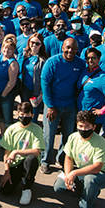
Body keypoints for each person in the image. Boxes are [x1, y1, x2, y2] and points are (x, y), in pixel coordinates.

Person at [56, 110, 105, 208]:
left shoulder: (101, 142)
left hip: (102, 174)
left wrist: (74, 174)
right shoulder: (73, 137)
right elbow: (68, 158)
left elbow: (97, 167)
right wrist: (68, 174)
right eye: (81, 126)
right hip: (81, 172)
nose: (83, 129)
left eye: (87, 126)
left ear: (94, 127)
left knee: (90, 180)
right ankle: (87, 194)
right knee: (58, 186)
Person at [40, 37, 84, 172]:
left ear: (77, 50)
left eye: (73, 48)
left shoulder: (80, 63)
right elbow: (45, 84)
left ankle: (62, 159)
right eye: (67, 47)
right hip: (53, 104)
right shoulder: (52, 62)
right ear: (62, 48)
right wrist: (50, 106)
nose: (70, 51)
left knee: (68, 134)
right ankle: (45, 160)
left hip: (70, 105)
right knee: (49, 134)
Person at [0, 100, 45, 205]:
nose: (25, 117)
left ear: (32, 115)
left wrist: (16, 152)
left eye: (27, 114)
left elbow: (37, 151)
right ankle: (18, 177)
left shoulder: (37, 129)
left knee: (31, 159)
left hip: (27, 161)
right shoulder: (11, 129)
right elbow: (6, 153)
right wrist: (6, 171)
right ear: (17, 114)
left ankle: (27, 187)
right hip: (15, 163)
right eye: (22, 114)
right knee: (5, 191)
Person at [0, 35, 21, 124]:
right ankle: (3, 137)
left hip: (6, 95)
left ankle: (9, 137)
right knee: (0, 119)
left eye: (10, 49)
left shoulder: (13, 63)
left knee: (7, 119)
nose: (6, 51)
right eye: (5, 48)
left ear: (13, 51)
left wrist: (3, 95)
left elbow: (12, 82)